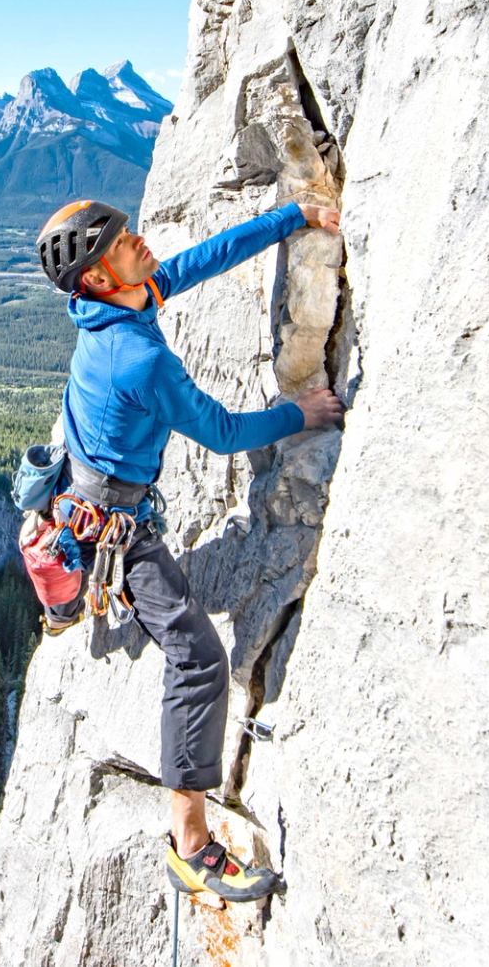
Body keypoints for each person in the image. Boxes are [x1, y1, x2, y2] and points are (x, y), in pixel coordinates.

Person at [32, 198, 344, 904]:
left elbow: (204, 259)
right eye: (120, 241)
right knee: (199, 655)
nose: (138, 240)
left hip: (87, 502)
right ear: (98, 278)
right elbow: (226, 432)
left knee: (174, 632)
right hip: (115, 533)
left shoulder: (117, 306)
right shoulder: (136, 358)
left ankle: (66, 605)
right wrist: (305, 414)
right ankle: (191, 843)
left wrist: (290, 217)